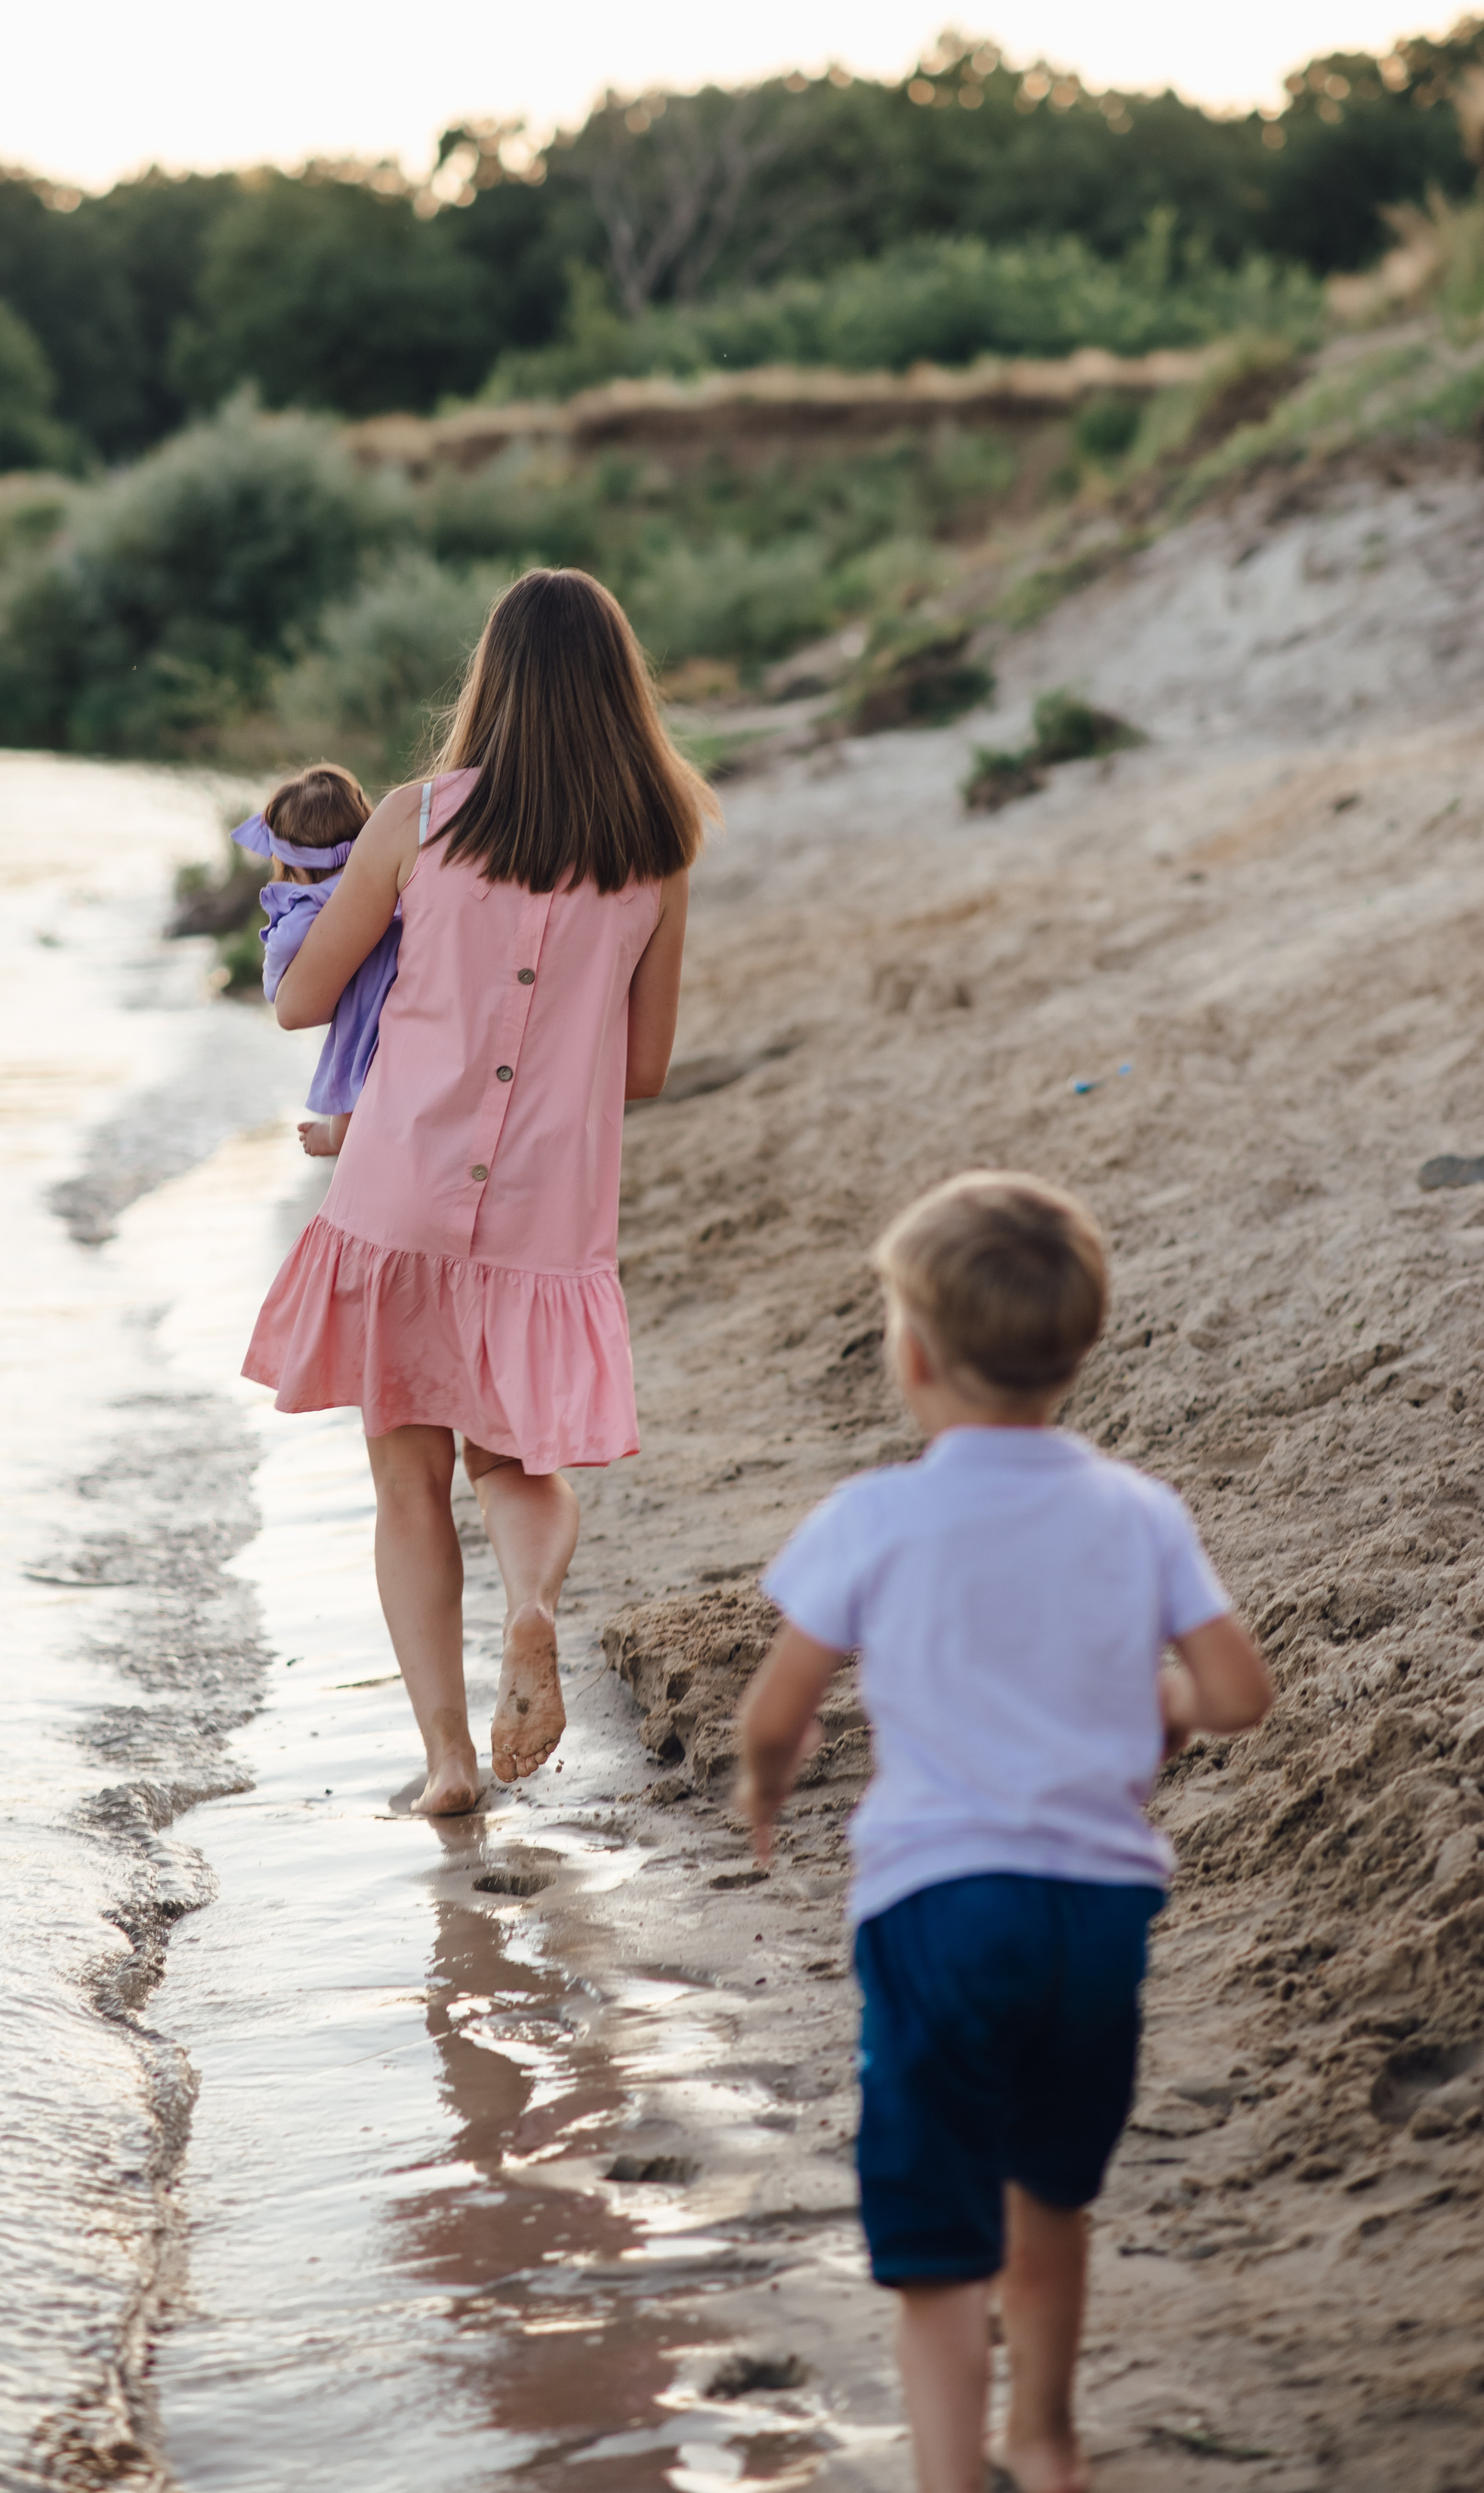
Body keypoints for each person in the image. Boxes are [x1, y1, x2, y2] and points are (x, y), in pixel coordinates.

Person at [735, 1171, 1273, 2493]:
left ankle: (948, 2472)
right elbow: (1239, 1694)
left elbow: (776, 1709)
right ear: (1079, 1351)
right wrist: (1159, 1706)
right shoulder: (1137, 1508)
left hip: (938, 1905)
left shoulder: (875, 1514)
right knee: (1052, 2185)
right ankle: (1045, 2435)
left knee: (936, 2235)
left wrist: (765, 1786)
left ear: (912, 1353)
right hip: (1096, 1910)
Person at [242, 568, 716, 1814]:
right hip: (547, 1216)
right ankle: (535, 1607)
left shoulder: (418, 818)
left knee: (407, 1483)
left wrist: (302, 904)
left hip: (397, 1190)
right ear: (622, 692)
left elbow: (301, 998)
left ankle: (450, 1761)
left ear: (488, 681)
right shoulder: (656, 855)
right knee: (515, 1466)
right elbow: (649, 1064)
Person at [231, 764, 396, 1160]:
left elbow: (283, 974)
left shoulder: (310, 905)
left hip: (366, 998)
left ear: (296, 867)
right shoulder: (391, 877)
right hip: (400, 984)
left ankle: (337, 1137)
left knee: (353, 1055)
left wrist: (273, 960)